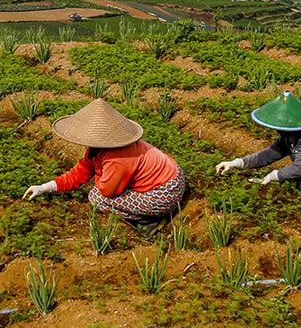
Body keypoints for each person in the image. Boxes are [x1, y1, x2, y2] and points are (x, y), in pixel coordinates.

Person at [23, 98, 187, 233]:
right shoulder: (102, 148)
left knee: (97, 197)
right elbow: (81, 171)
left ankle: (150, 219)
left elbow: (107, 190)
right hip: (173, 173)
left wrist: (99, 174)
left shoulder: (117, 159)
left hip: (165, 194)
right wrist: (44, 187)